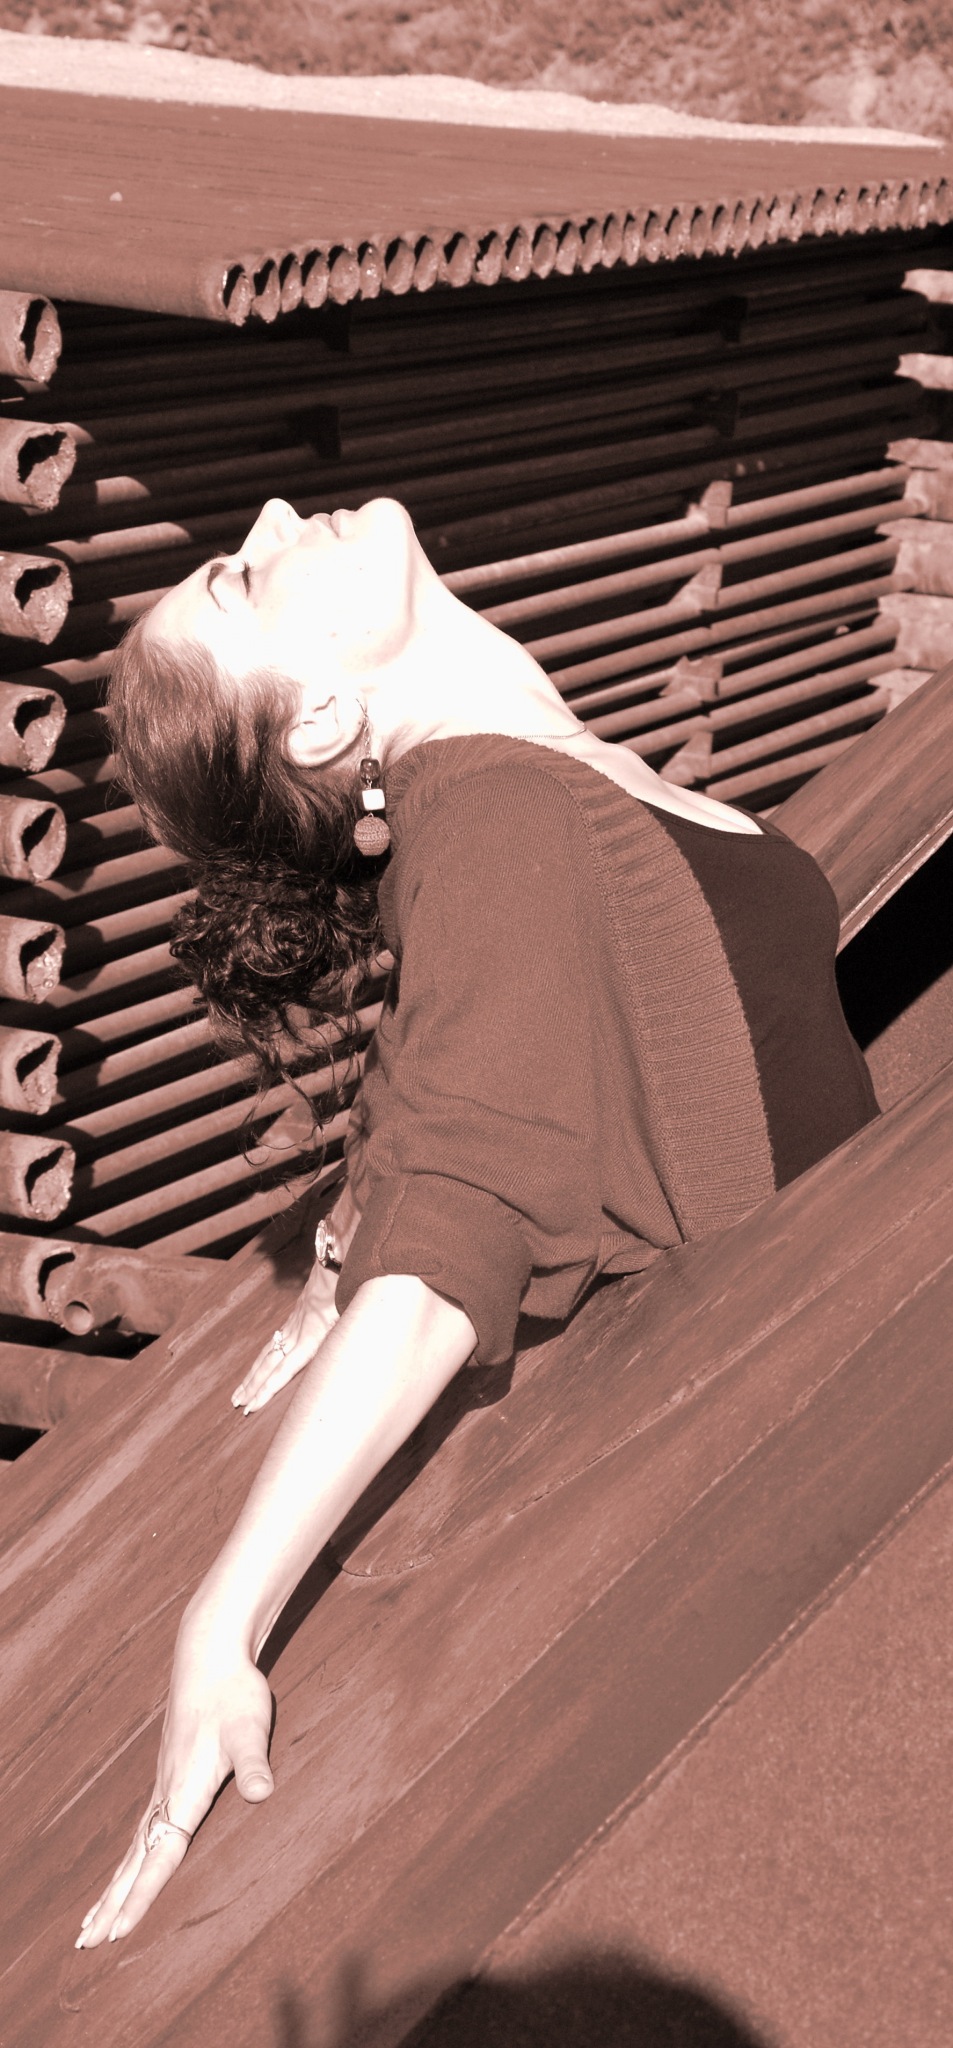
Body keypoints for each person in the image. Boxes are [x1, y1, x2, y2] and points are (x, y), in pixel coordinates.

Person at [75, 495, 878, 1949]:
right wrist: (222, 1620)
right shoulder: (497, 819)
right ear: (322, 716)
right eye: (243, 578)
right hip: (864, 1426)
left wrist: (339, 1232)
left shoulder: (515, 786)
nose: (274, 514)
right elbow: (454, 1232)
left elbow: (447, 1041)